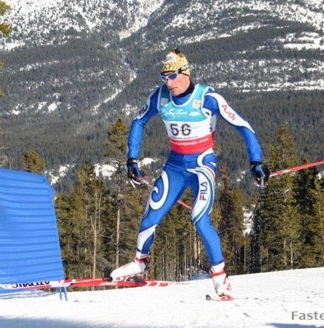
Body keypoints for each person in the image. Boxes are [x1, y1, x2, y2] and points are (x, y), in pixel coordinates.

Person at [110, 48, 269, 298]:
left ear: (186, 73)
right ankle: (140, 264)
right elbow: (138, 121)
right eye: (164, 76)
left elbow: (243, 125)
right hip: (175, 166)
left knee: (199, 218)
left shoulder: (207, 97)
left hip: (202, 165)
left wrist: (256, 161)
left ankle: (220, 279)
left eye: (172, 76)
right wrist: (132, 158)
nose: (168, 82)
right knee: (151, 215)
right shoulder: (160, 97)